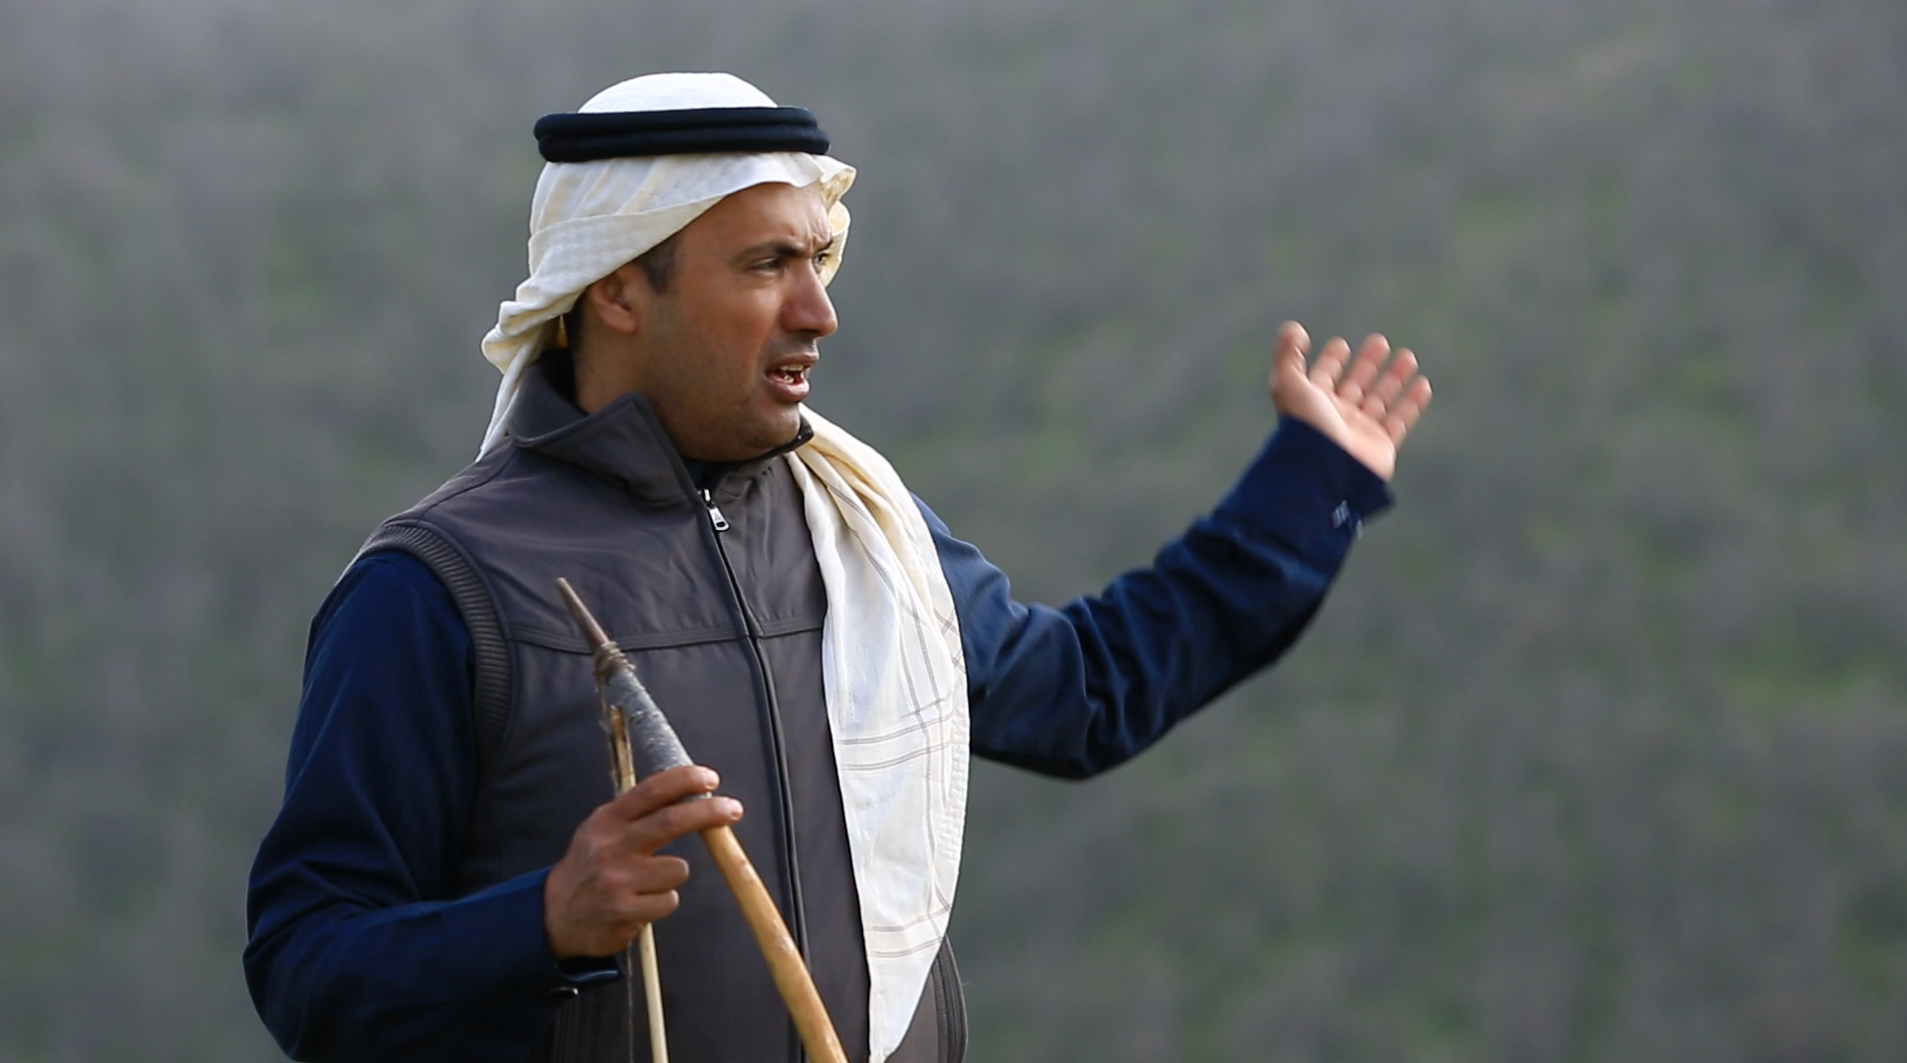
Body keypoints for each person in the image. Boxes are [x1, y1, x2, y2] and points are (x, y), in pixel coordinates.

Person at [244, 72, 1430, 1063]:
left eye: (819, 261)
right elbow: (306, 962)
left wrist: (1308, 485)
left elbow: (1085, 692)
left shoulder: (863, 533)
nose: (818, 311)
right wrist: (543, 918)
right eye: (765, 267)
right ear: (614, 285)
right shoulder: (440, 588)